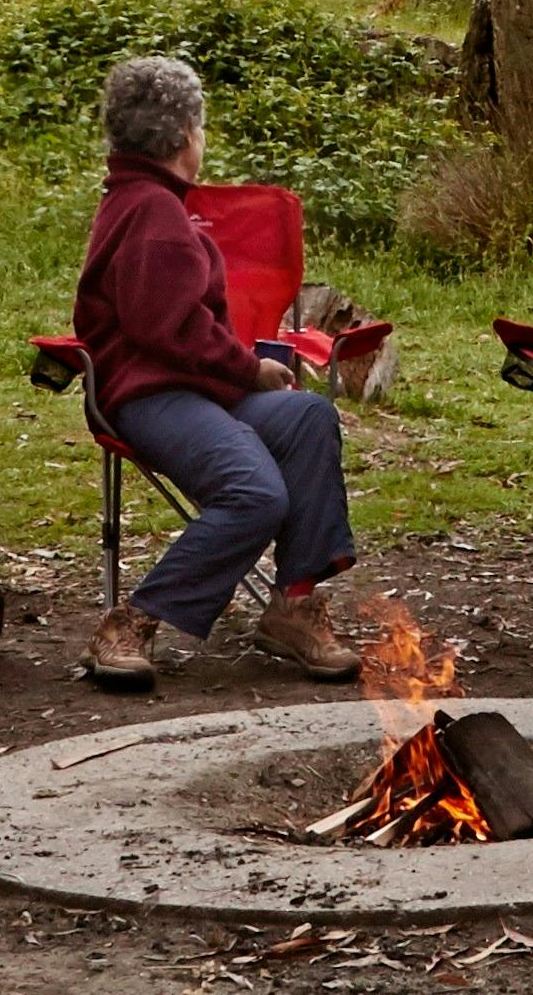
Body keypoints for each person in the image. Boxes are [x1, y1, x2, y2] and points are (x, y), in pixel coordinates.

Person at [69, 51, 362, 691]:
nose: (203, 141)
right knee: (255, 493)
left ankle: (293, 604)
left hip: (196, 390)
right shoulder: (154, 215)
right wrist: (248, 369)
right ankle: (131, 622)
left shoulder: (145, 202)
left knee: (310, 417)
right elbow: (166, 330)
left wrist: (240, 375)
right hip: (152, 395)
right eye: (201, 129)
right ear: (179, 138)